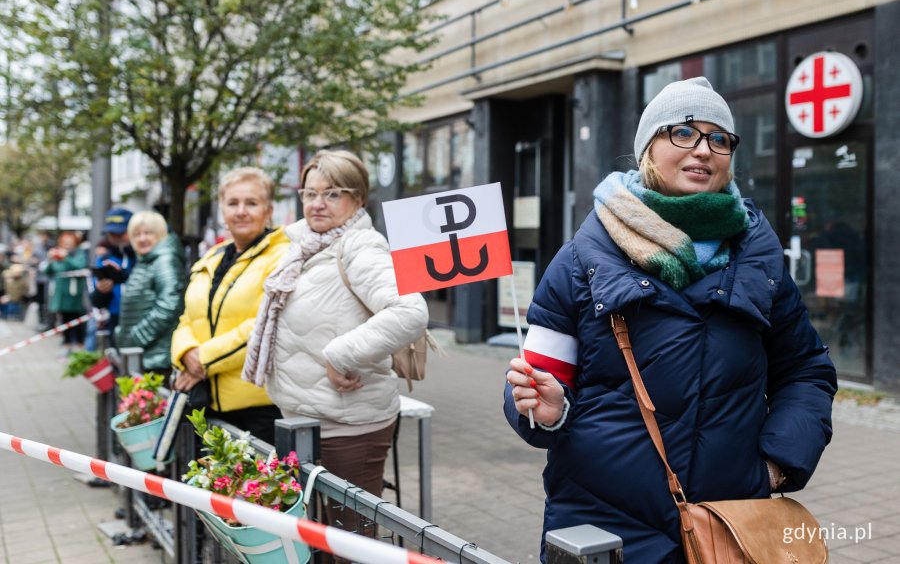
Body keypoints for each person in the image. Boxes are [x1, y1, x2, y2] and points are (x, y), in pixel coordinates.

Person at [504, 77, 837, 563]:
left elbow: (806, 370)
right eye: (683, 133)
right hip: (603, 528)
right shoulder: (579, 262)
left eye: (718, 138)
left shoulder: (760, 263)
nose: (703, 150)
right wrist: (546, 411)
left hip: (728, 524)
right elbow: (535, 386)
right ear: (647, 149)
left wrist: (778, 463)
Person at [242, 150, 428, 544]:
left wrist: (339, 354)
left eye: (332, 194)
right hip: (306, 419)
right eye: (309, 194)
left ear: (358, 199)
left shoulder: (361, 246)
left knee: (350, 545)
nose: (316, 204)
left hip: (350, 426)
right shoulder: (306, 246)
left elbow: (410, 311)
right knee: (317, 541)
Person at [171, 167, 289, 444]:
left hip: (258, 408)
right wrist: (186, 352)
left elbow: (265, 324)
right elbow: (188, 317)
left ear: (269, 210)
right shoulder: (211, 257)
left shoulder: (282, 256)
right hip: (208, 402)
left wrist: (202, 360)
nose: (241, 211)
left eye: (252, 203)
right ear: (222, 210)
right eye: (232, 203)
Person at [93, 211, 185, 380]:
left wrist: (133, 337)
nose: (142, 239)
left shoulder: (164, 260)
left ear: (160, 234)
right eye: (136, 234)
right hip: (146, 355)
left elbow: (170, 304)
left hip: (156, 359)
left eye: (148, 233)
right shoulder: (147, 259)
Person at [89, 207, 137, 346]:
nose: (115, 237)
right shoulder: (104, 260)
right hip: (115, 319)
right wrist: (101, 291)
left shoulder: (142, 257)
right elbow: (96, 302)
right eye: (111, 233)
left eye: (120, 233)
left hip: (140, 317)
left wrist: (122, 275)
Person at [44, 231, 89, 353]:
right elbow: (48, 271)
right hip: (61, 295)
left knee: (76, 319)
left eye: (70, 243)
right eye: (65, 243)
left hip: (74, 294)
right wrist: (50, 259)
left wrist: (66, 258)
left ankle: (80, 344)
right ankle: (67, 344)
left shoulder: (78, 254)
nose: (67, 245)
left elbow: (80, 266)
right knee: (64, 320)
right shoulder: (57, 256)